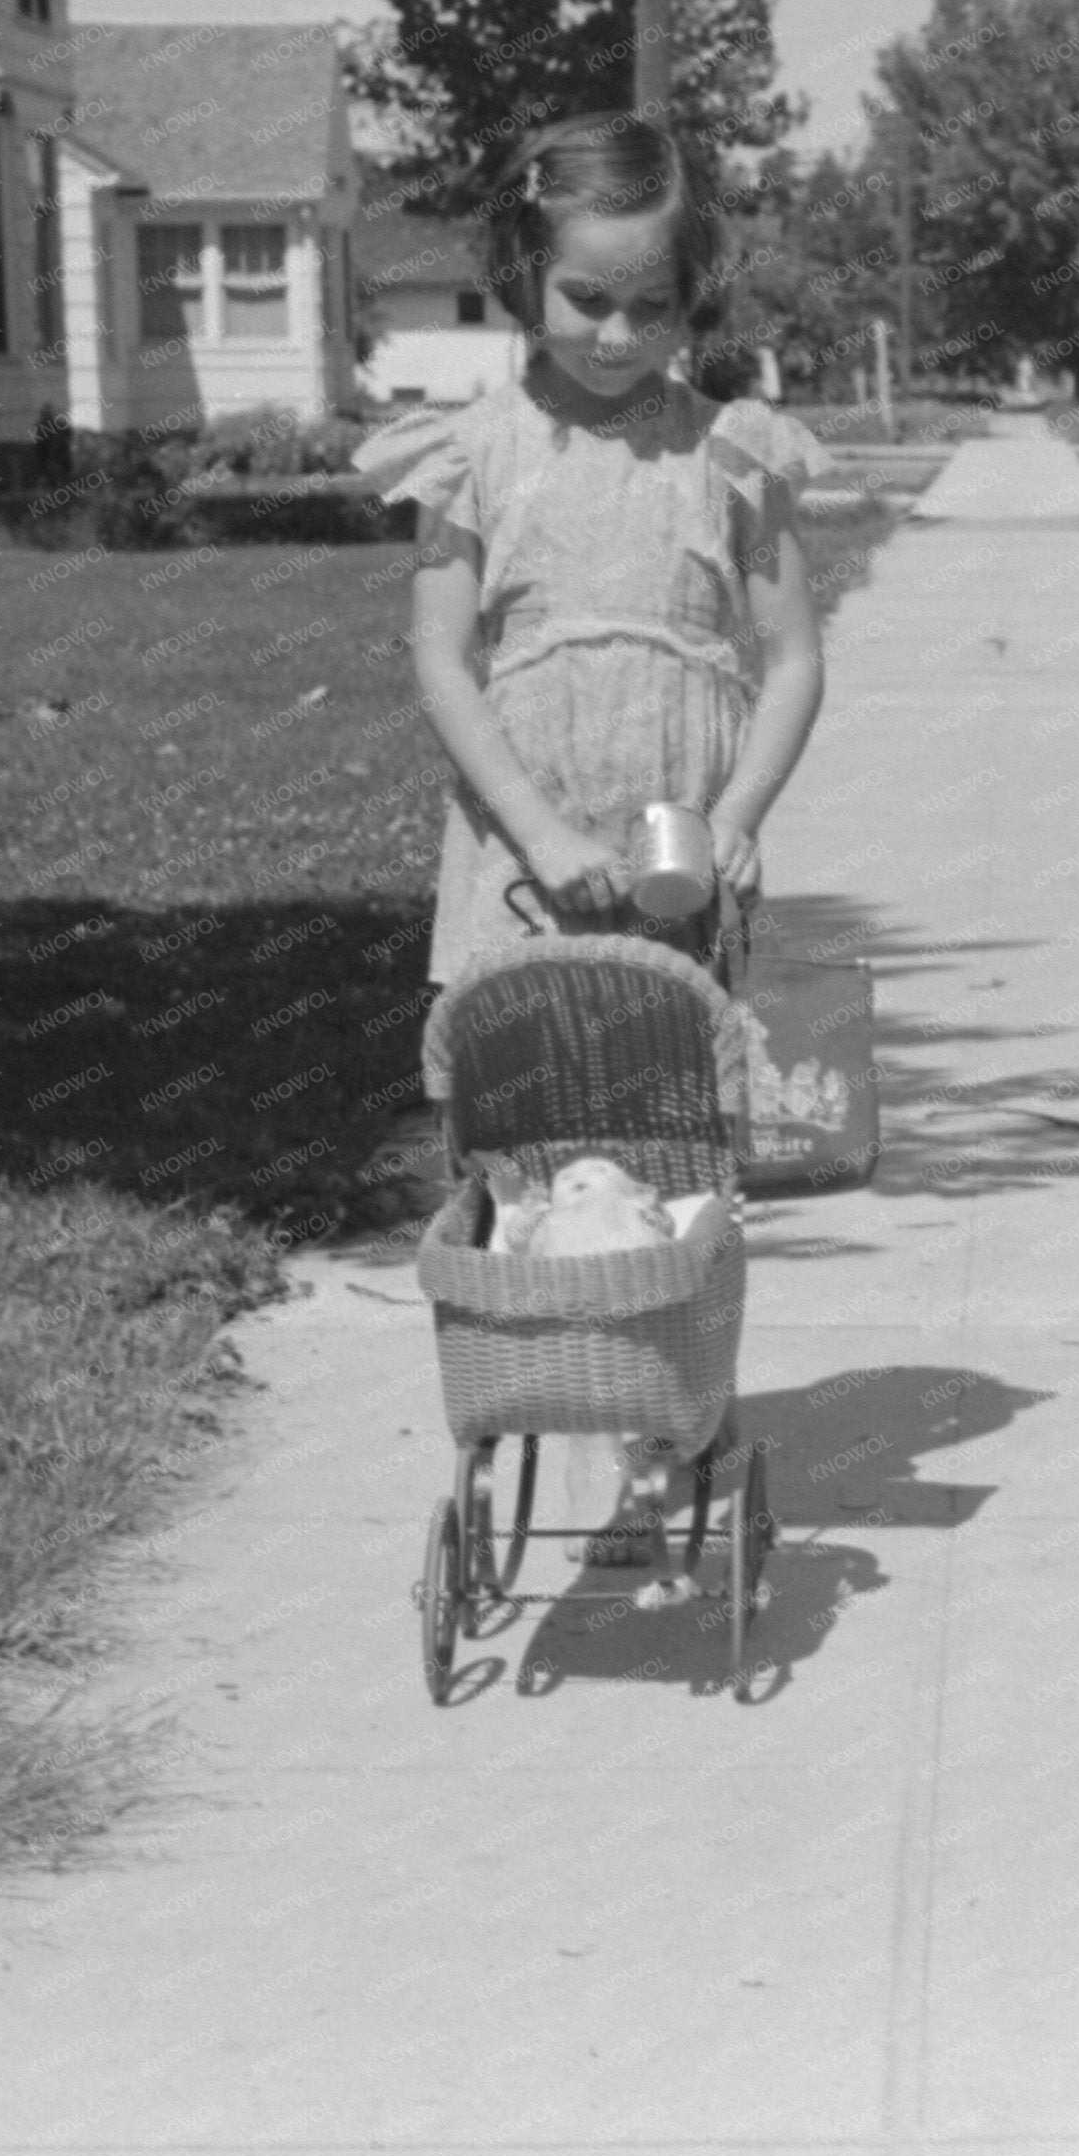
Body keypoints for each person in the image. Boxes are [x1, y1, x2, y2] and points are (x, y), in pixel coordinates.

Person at [360, 109, 827, 1568]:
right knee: (525, 1132)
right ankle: (528, 1378)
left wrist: (740, 816)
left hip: (673, 862)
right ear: (521, 274)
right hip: (521, 855)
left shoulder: (728, 456)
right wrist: (538, 828)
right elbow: (442, 660)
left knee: (664, 1141)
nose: (620, 335)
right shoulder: (475, 456)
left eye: (653, 305)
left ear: (695, 299)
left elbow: (794, 657)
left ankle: (659, 1420)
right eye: (587, 301)